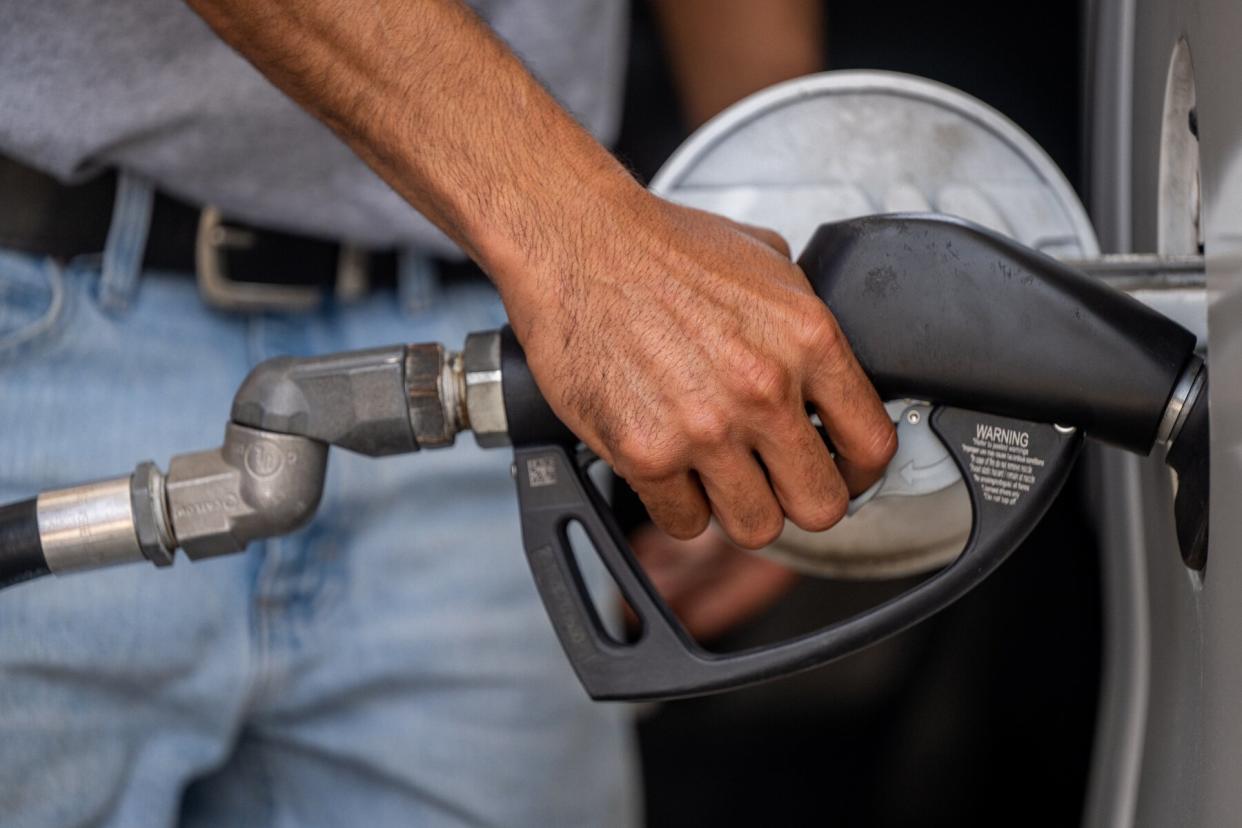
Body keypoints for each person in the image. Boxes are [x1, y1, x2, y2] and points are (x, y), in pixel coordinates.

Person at [0, 1, 895, 825]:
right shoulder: (576, 236)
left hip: (503, 341)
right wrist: (580, 234)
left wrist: (760, 356)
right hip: (51, 319)